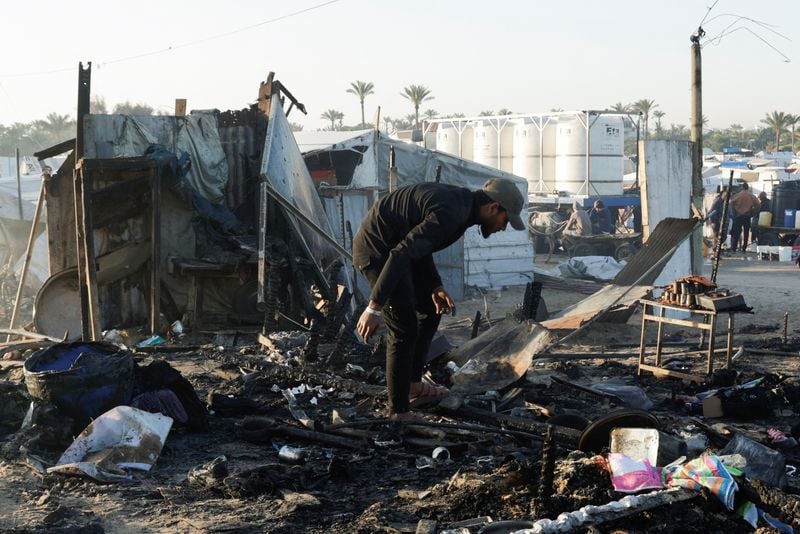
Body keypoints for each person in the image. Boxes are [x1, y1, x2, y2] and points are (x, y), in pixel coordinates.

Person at [352, 178, 525, 421]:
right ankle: (398, 411)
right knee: (403, 328)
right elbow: (402, 253)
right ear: (494, 207)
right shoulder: (453, 212)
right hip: (377, 251)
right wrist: (374, 307)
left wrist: (435, 285)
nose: (503, 228)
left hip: (395, 250)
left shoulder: (461, 208)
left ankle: (413, 384)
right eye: (505, 220)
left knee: (431, 309)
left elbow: (420, 246)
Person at [729, 182, 760, 254]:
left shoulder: (738, 195)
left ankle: (734, 249)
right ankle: (744, 249)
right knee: (746, 233)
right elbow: (758, 205)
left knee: (736, 233)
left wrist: (734, 212)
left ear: (742, 187)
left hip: (738, 216)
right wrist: (753, 213)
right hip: (747, 216)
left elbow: (731, 202)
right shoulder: (751, 196)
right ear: (748, 188)